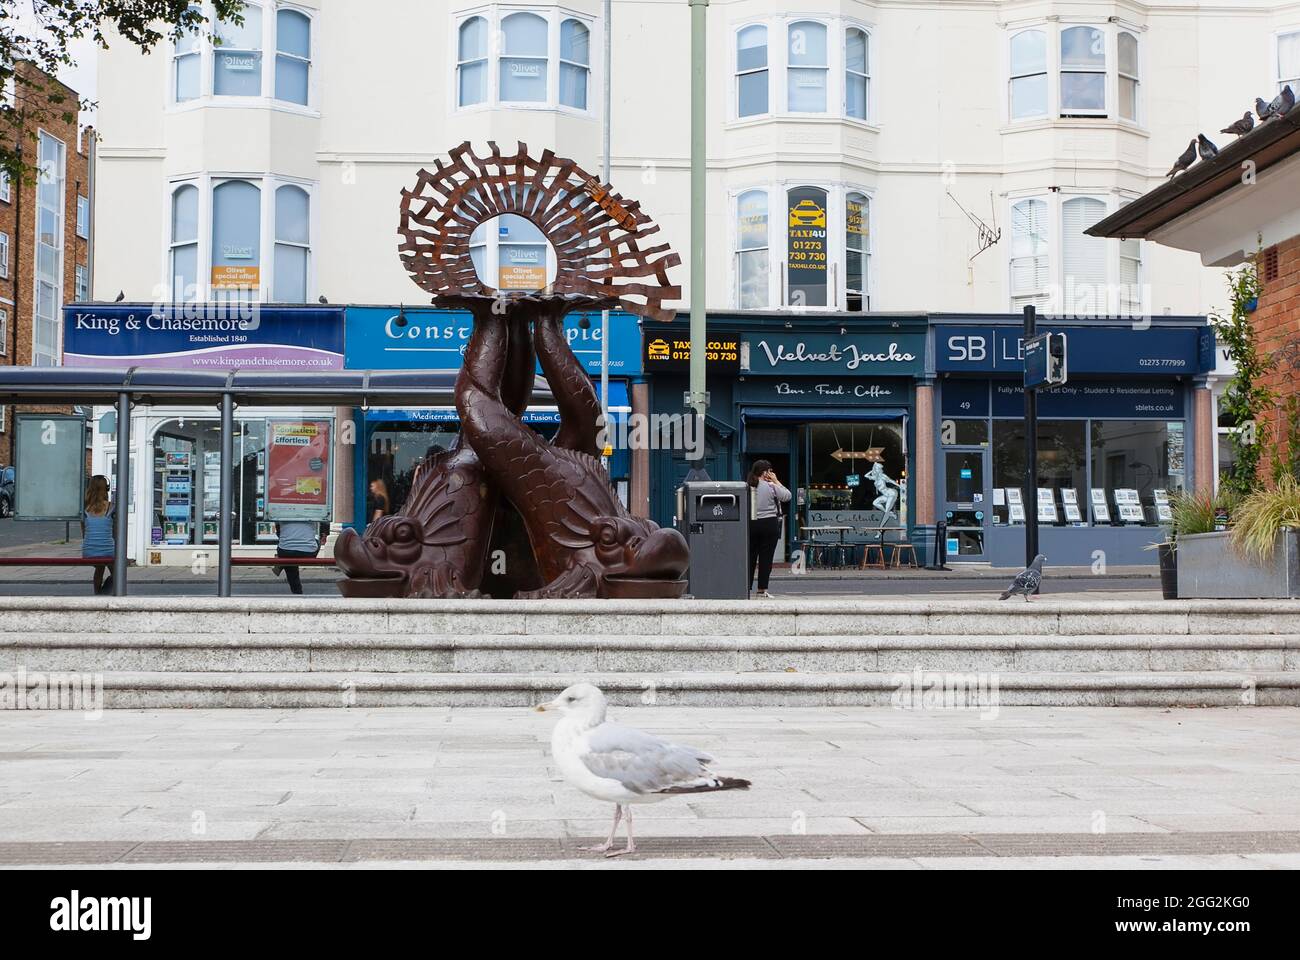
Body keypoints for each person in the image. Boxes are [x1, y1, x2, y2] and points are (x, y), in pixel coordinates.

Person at [747, 459, 791, 599]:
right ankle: (761, 590)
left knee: (750, 557)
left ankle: (745, 588)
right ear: (765, 472)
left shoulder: (747, 486)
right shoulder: (771, 486)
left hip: (751, 524)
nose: (771, 474)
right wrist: (776, 481)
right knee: (766, 559)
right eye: (770, 471)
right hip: (769, 524)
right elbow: (787, 496)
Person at [81, 475, 115, 595]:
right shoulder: (111, 507)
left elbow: (84, 532)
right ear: (106, 488)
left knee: (100, 568)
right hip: (108, 550)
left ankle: (97, 593)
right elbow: (116, 533)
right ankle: (104, 594)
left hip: (89, 550)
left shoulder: (84, 508)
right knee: (117, 573)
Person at [271, 520, 321, 595]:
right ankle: (282, 562)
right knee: (317, 541)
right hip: (309, 552)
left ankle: (297, 593)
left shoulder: (281, 513)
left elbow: (279, 534)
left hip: (286, 551)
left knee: (290, 565)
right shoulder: (310, 514)